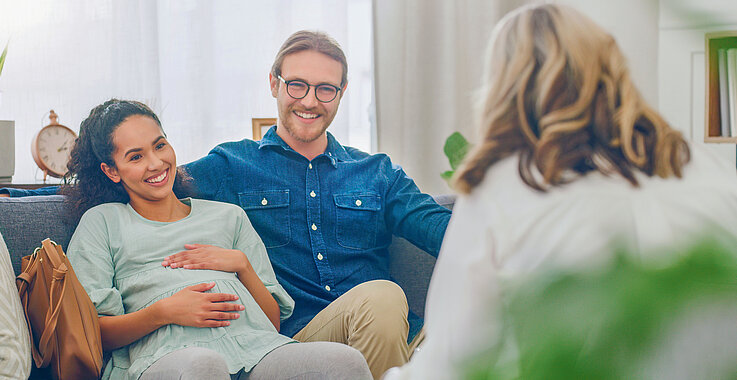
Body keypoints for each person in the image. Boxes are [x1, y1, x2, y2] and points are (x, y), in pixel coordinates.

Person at [383, 4, 737, 379]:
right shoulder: (706, 166)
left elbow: (454, 360)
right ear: (612, 68)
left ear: (505, 87)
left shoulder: (506, 186)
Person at [64, 99, 371, 380]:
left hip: (255, 348)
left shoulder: (229, 216)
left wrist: (242, 265)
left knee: (345, 362)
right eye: (135, 157)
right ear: (111, 171)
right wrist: (164, 311)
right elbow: (94, 332)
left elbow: (272, 322)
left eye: (160, 146)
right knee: (203, 366)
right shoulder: (102, 221)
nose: (156, 163)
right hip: (164, 358)